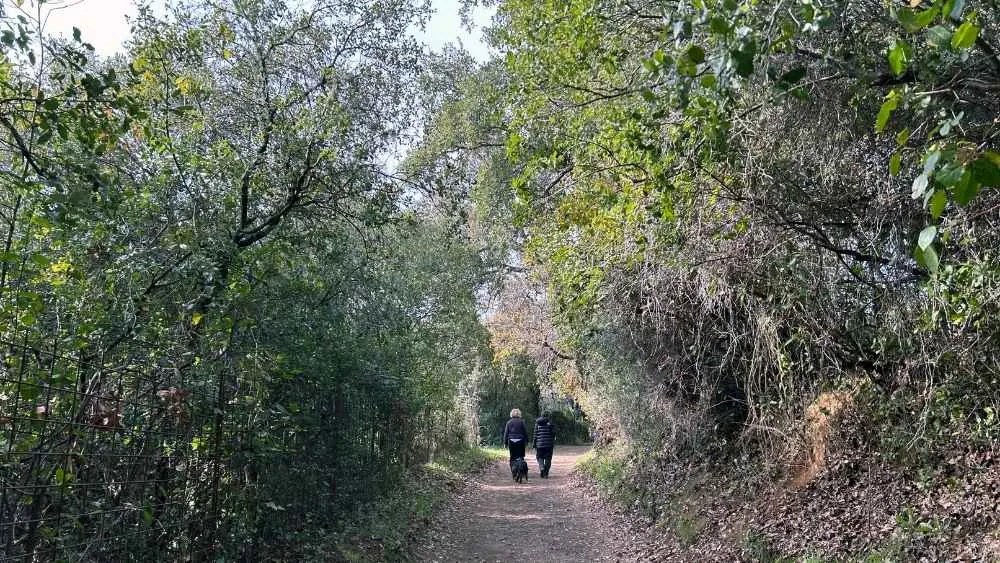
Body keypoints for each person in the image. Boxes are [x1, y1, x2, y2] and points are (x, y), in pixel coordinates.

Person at [533, 412, 555, 478]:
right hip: (549, 445)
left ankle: (542, 468)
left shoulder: (537, 423)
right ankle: (546, 473)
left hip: (539, 445)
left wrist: (534, 444)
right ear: (548, 416)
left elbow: (535, 435)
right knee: (548, 458)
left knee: (539, 457)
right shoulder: (550, 423)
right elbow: (553, 434)